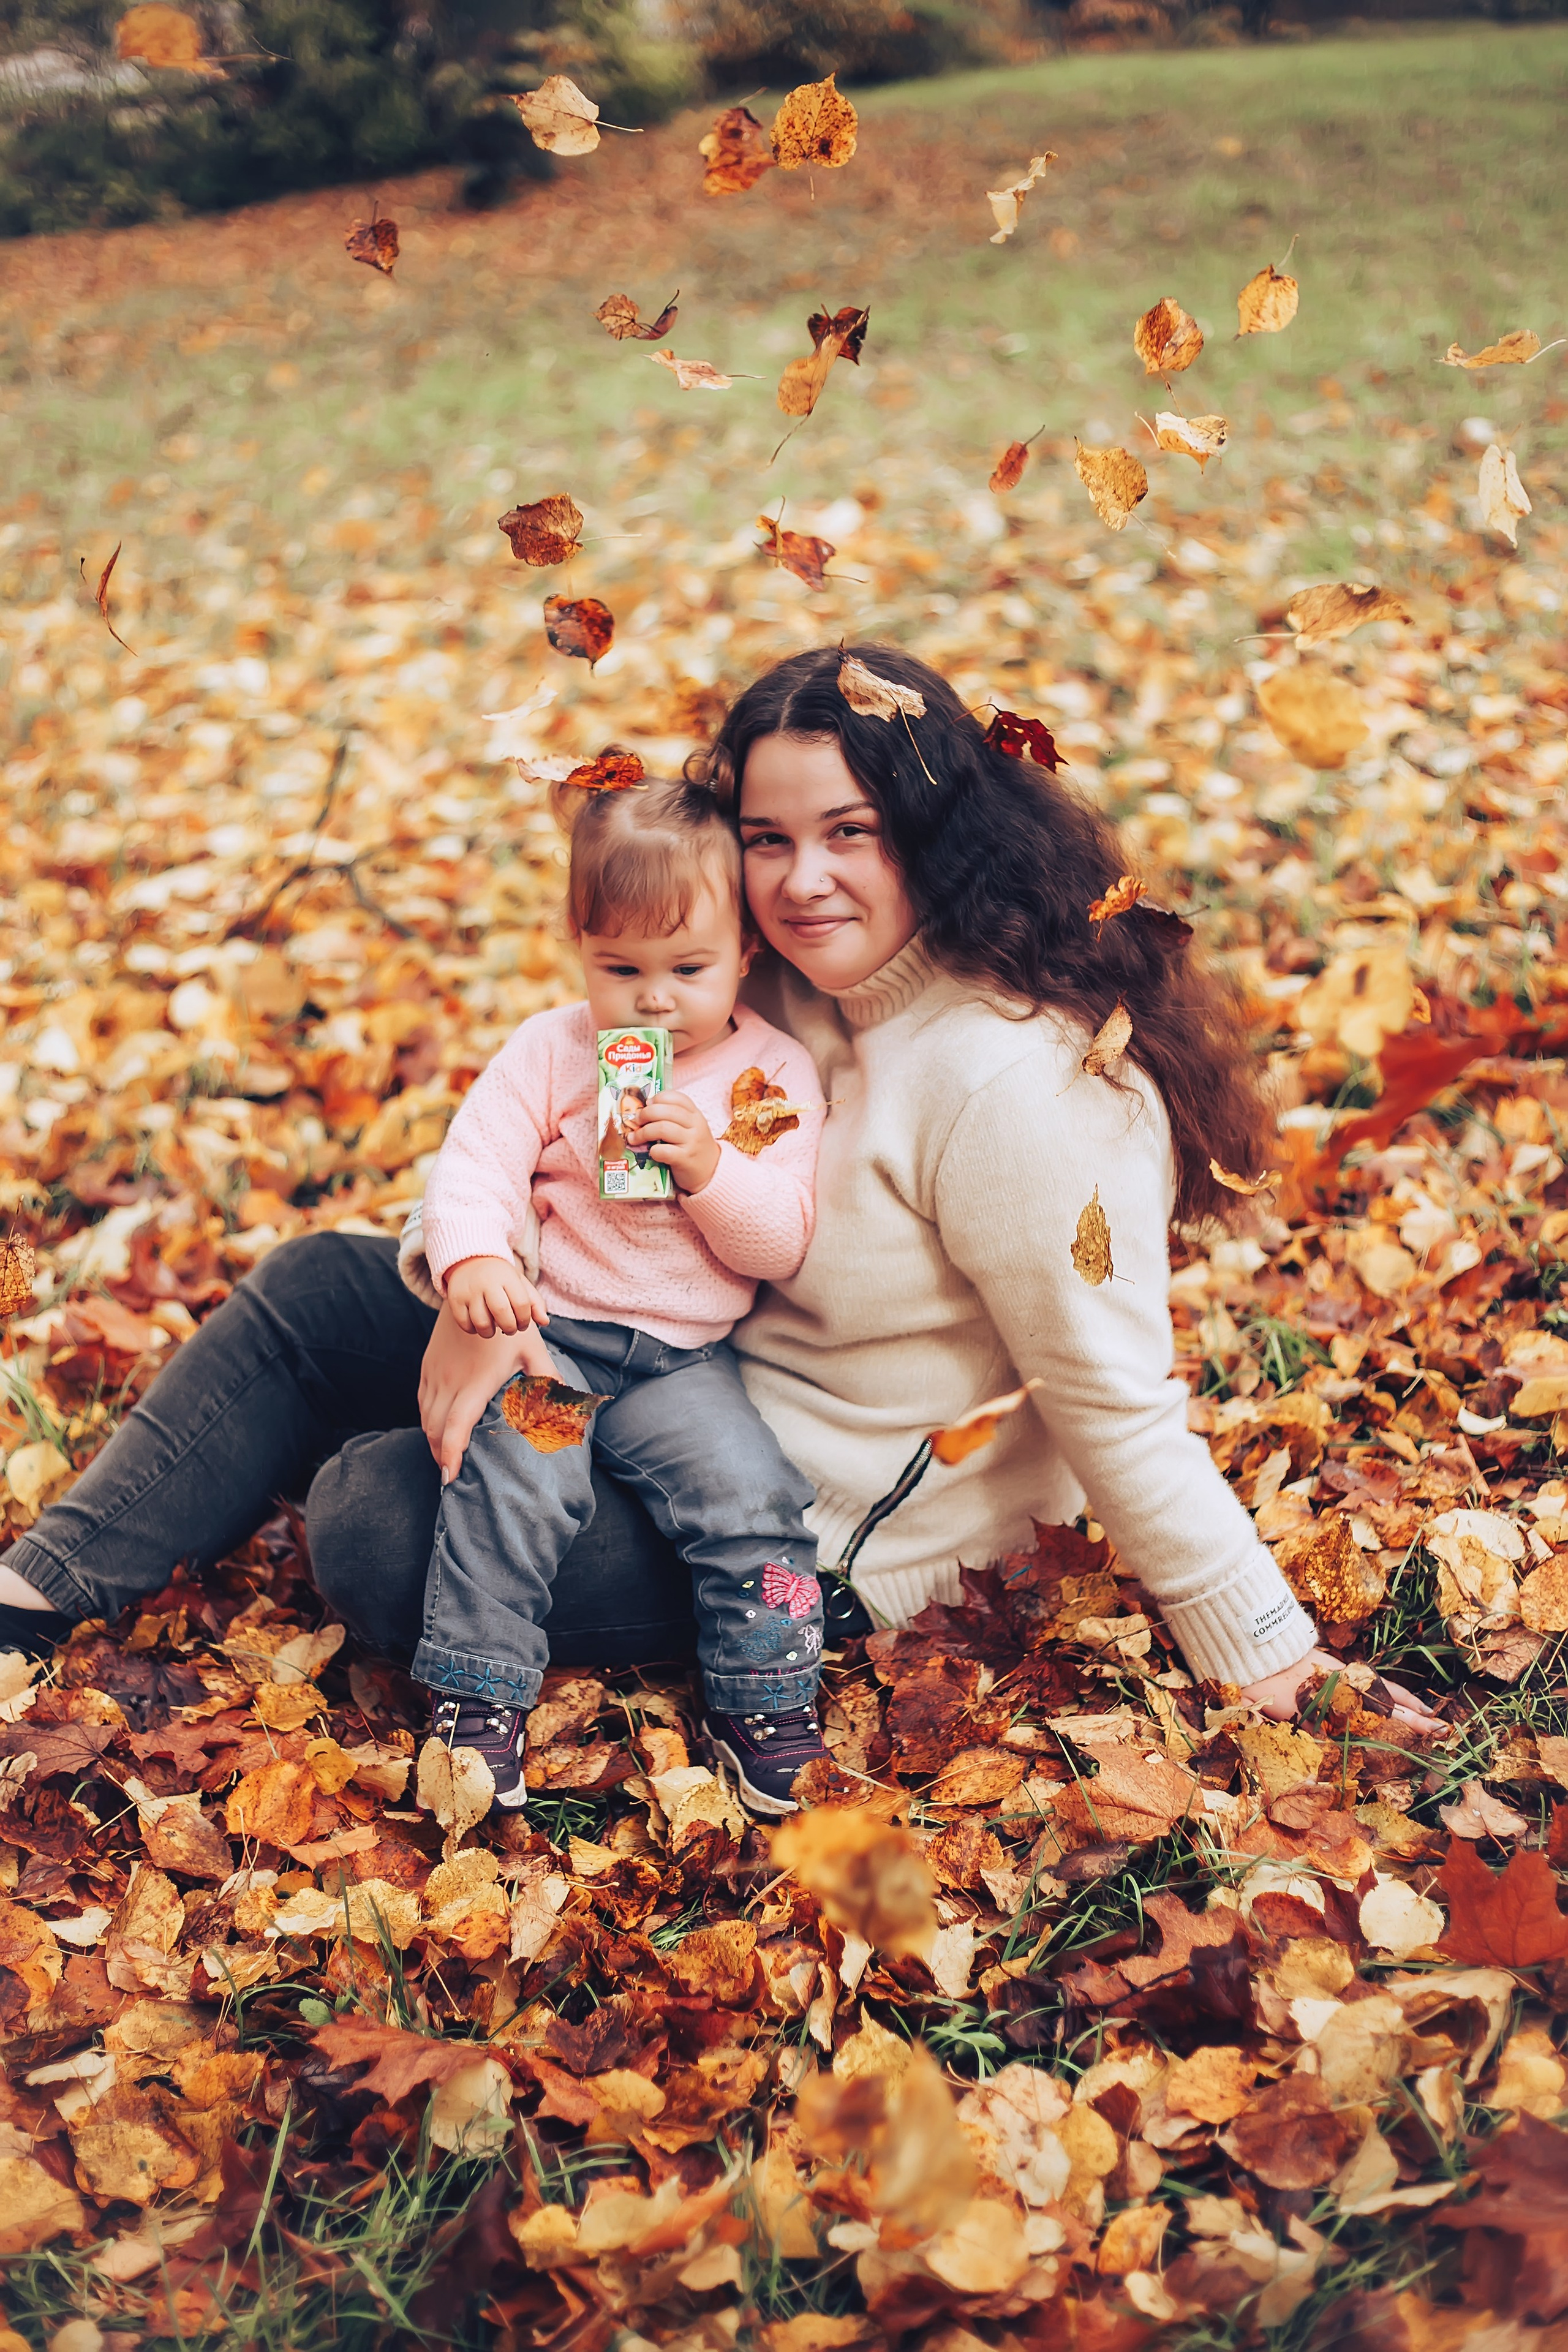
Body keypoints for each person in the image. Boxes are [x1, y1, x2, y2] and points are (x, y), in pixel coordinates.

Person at [0, 644, 1436, 1734]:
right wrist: (476, 1297)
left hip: (803, 1522)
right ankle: (42, 1591)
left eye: (850, 832)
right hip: (645, 1364)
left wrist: (1268, 1653)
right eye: (765, 838)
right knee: (326, 1283)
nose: (801, 879)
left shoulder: (1025, 1090)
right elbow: (599, 1181)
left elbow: (1113, 1396)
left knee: (373, 1517)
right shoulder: (788, 992)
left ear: (935, 830)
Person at [399, 772, 829, 1812]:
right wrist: (477, 1264)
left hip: (682, 1362)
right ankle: (476, 1699)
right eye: (619, 967)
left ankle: (766, 1691)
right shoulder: (551, 1049)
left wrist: (711, 1166)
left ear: (746, 953)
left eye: (689, 967)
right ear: (579, 949)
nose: (654, 997)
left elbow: (779, 1241)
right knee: (516, 1486)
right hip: (561, 1334)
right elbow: (475, 1164)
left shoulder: (769, 1075)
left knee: (753, 1497)